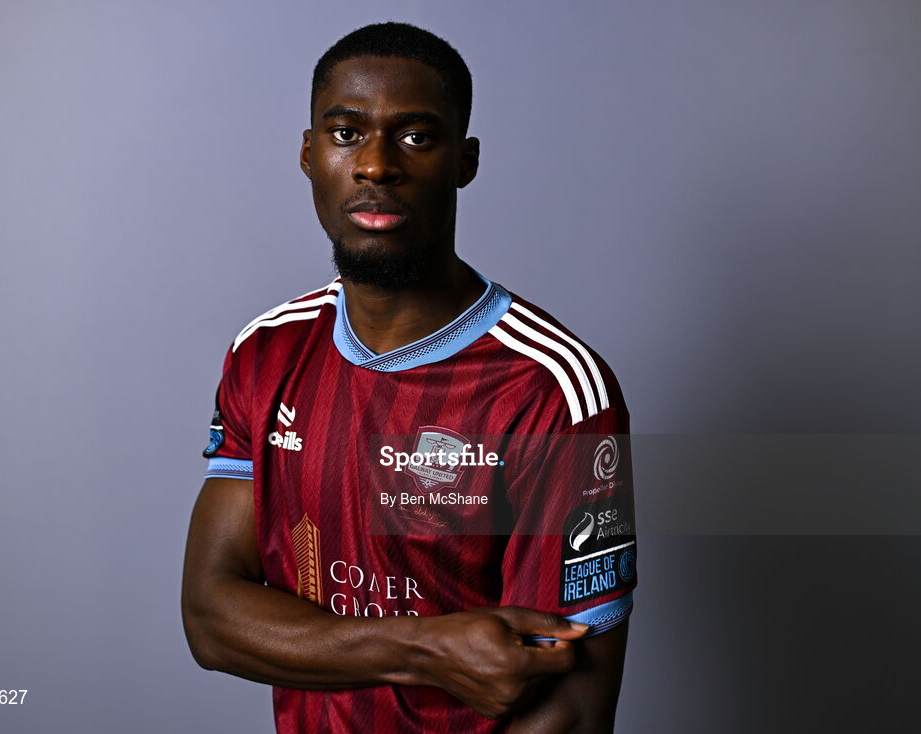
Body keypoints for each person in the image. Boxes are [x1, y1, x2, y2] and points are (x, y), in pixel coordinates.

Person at [181, 22, 636, 733]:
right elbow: (211, 617)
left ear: (465, 160)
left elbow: (570, 709)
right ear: (309, 154)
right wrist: (424, 650)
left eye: (416, 137)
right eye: (345, 133)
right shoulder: (265, 351)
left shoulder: (553, 390)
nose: (375, 166)